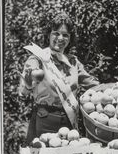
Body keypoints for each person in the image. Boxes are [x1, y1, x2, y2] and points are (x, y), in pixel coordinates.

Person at [19, 12, 99, 144]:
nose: (60, 38)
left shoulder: (73, 62)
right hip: (45, 121)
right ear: (48, 35)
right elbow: (24, 90)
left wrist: (116, 88)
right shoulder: (38, 59)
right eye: (56, 33)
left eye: (65, 35)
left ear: (70, 38)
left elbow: (93, 85)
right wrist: (29, 81)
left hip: (69, 122)